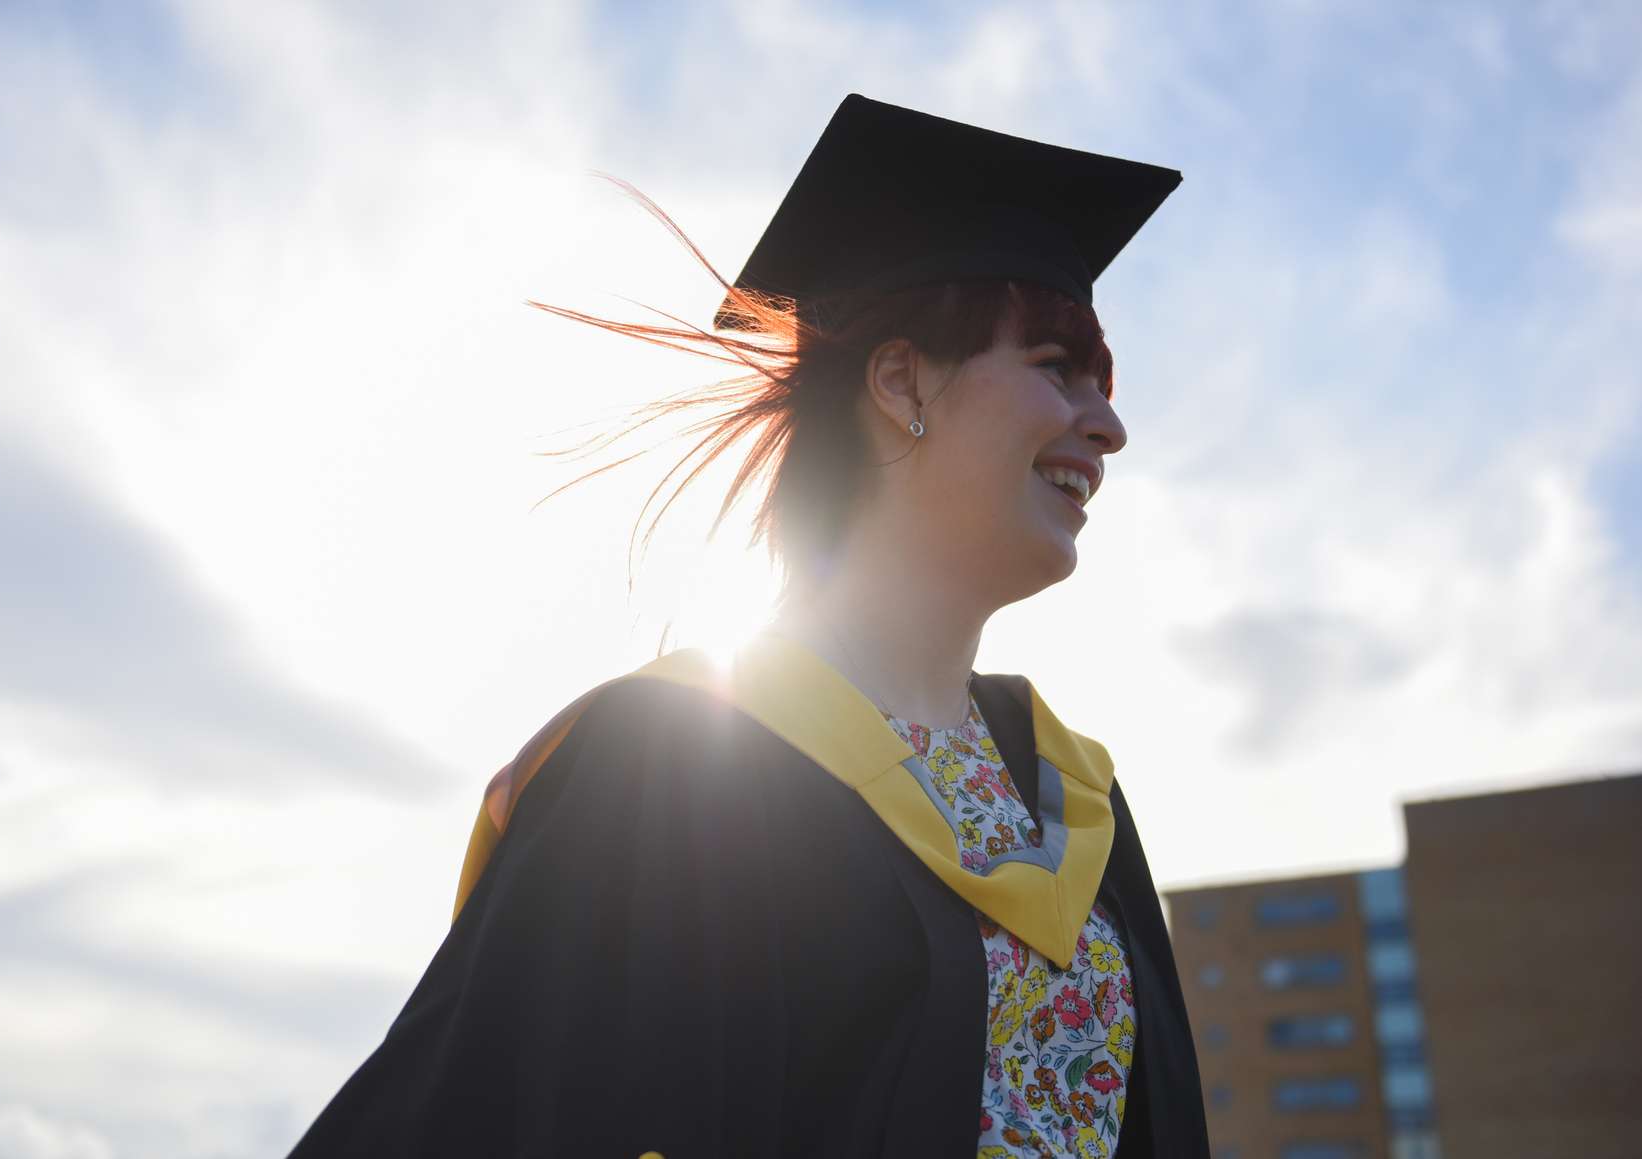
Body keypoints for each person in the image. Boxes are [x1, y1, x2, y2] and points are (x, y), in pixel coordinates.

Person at [288, 93, 1210, 1159]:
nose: (1109, 425)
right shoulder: (672, 764)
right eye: (1058, 369)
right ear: (902, 380)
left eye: (1102, 385)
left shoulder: (1070, 795)